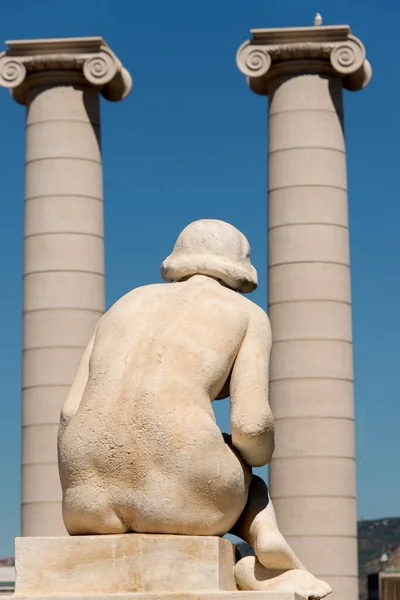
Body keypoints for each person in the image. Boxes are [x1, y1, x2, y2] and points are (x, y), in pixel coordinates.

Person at [58, 219, 331, 598]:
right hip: (178, 498)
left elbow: (70, 414)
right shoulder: (246, 313)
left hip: (85, 502)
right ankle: (263, 536)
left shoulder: (124, 304)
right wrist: (255, 456)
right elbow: (251, 425)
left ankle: (262, 554)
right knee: (245, 469)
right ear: (241, 270)